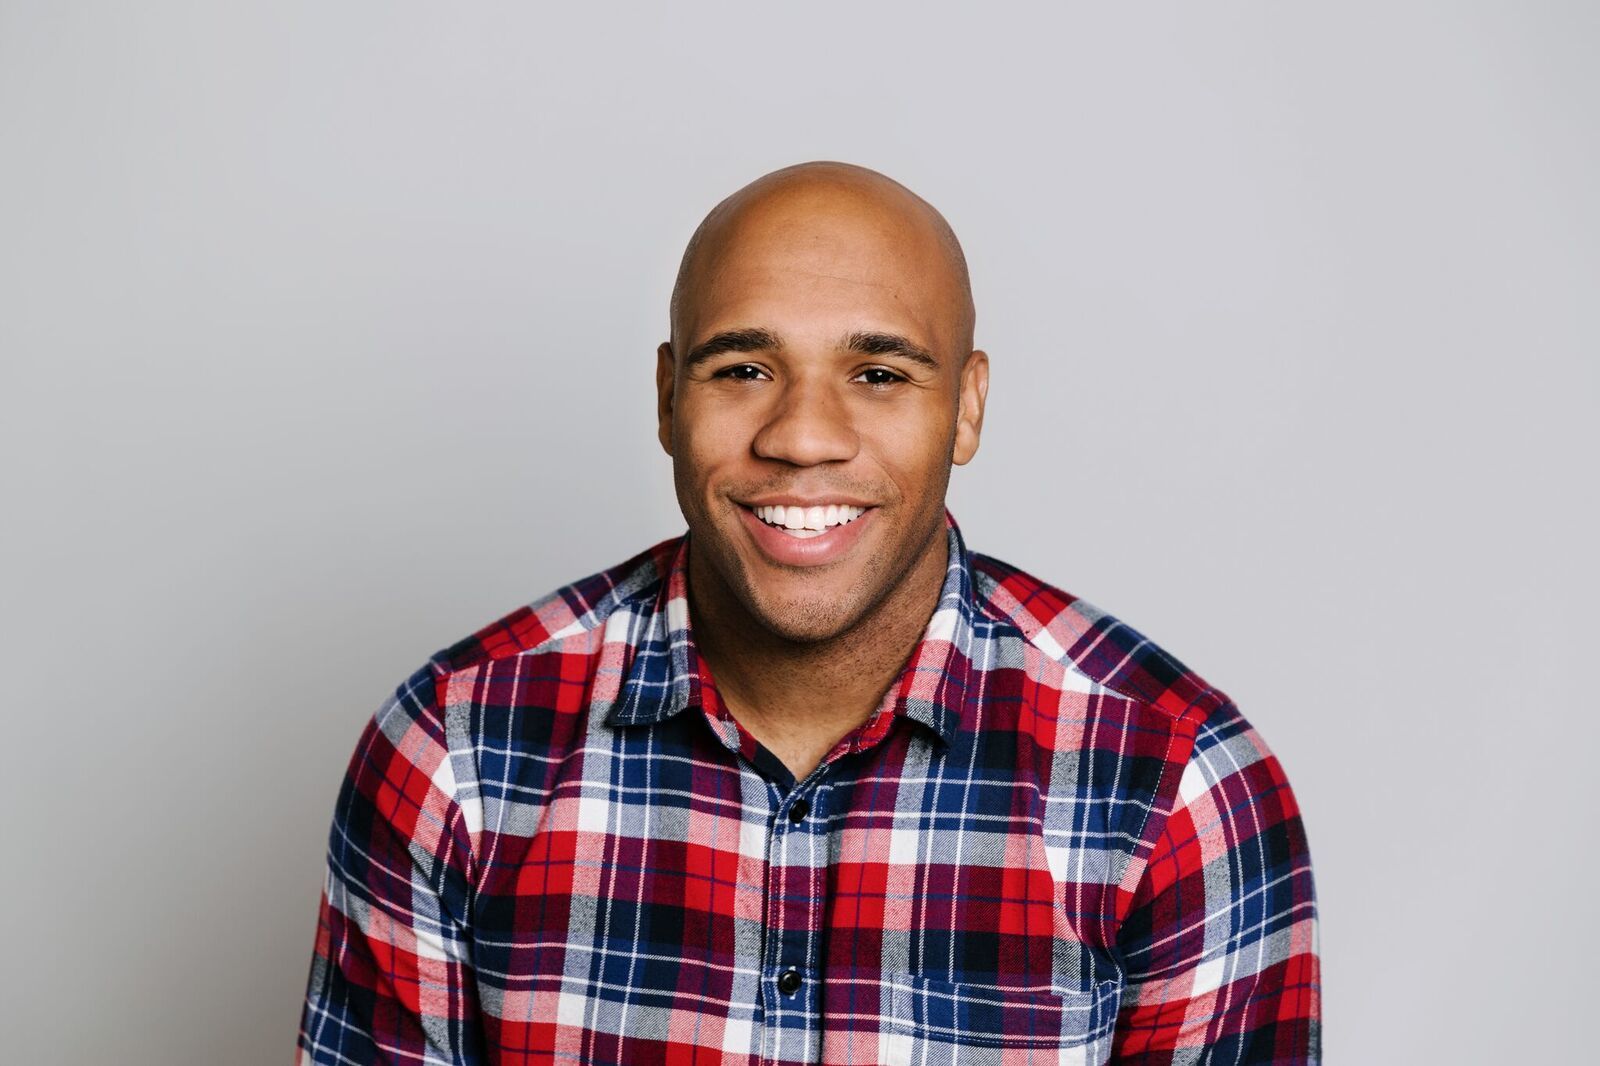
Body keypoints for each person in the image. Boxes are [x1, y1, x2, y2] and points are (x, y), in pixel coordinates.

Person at [296, 161, 1320, 1064]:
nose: (801, 436)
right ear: (667, 398)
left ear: (965, 408)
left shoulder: (1177, 787)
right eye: (744, 370)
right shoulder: (456, 750)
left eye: (878, 375)